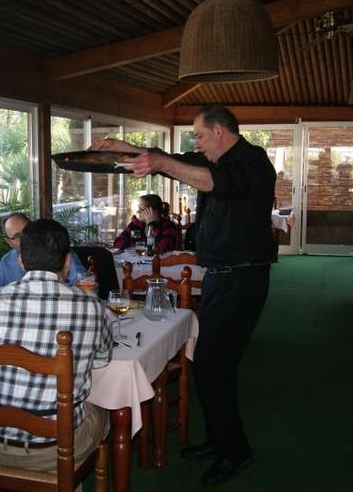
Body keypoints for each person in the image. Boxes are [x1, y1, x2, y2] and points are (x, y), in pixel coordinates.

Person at [90, 105, 275, 487]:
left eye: (200, 136)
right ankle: (219, 440)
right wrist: (119, 147)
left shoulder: (252, 162)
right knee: (214, 364)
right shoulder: (214, 159)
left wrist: (162, 163)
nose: (197, 142)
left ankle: (234, 451)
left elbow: (212, 182)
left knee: (212, 364)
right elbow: (169, 161)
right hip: (223, 278)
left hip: (243, 279)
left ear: (220, 132)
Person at [0, 219, 113, 478]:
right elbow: (102, 359)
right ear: (67, 261)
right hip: (57, 446)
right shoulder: (90, 306)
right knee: (106, 407)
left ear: (21, 262)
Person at [0, 212, 87, 290]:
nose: (25, 237)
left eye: (27, 230)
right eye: (17, 236)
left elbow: (82, 280)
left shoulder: (58, 250)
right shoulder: (7, 262)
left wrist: (83, 284)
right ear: (9, 242)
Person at [112, 194, 182, 253]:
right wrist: (141, 246)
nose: (138, 211)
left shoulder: (168, 226)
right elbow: (117, 243)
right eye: (138, 208)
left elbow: (160, 248)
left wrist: (151, 224)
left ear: (154, 212)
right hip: (138, 262)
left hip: (161, 265)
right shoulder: (136, 223)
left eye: (141, 209)